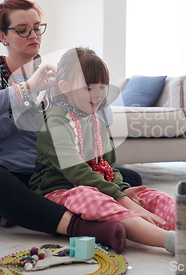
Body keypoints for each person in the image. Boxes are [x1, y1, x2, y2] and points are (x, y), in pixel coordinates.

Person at [0, 0, 141, 252]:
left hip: (45, 179)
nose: (33, 35)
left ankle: (25, 210)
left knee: (128, 176)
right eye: (22, 30)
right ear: (2, 35)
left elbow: (101, 122)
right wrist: (27, 88)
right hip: (1, 178)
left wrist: (86, 91)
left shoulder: (55, 77)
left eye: (37, 27)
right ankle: (82, 227)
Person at [30, 48, 176, 254]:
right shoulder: (55, 122)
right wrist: (122, 200)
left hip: (98, 186)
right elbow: (76, 172)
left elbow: (108, 167)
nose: (98, 94)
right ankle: (170, 241)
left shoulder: (97, 121)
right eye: (89, 87)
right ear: (64, 87)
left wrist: (123, 191)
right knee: (91, 196)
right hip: (58, 191)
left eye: (102, 86)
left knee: (152, 196)